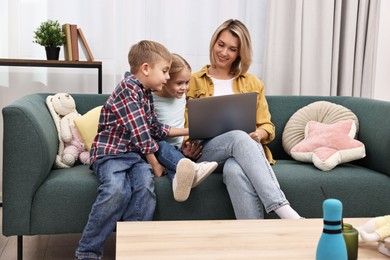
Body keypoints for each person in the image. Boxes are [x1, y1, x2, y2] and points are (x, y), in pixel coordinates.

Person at [75, 40, 213, 260]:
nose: (168, 77)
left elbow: (155, 129)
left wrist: (190, 129)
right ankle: (87, 253)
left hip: (134, 156)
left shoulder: (146, 93)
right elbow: (141, 132)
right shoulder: (128, 90)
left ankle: (132, 251)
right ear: (146, 68)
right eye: (165, 71)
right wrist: (156, 164)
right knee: (117, 191)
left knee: (145, 191)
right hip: (111, 154)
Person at [185, 19, 302, 220]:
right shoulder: (193, 80)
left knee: (234, 169)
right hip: (206, 152)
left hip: (242, 152)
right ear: (214, 43)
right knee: (238, 137)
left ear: (240, 53)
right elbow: (182, 124)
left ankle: (253, 238)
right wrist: (185, 146)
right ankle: (284, 210)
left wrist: (259, 133)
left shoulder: (253, 83)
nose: (223, 52)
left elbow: (267, 125)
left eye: (232, 49)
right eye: (220, 45)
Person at [153, 53, 217, 200]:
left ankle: (177, 181)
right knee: (162, 146)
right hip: (156, 148)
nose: (185, 88)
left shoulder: (181, 97)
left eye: (187, 82)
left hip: (177, 149)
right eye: (179, 83)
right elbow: (154, 131)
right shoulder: (152, 99)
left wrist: (188, 141)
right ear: (166, 79)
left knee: (177, 163)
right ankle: (193, 169)